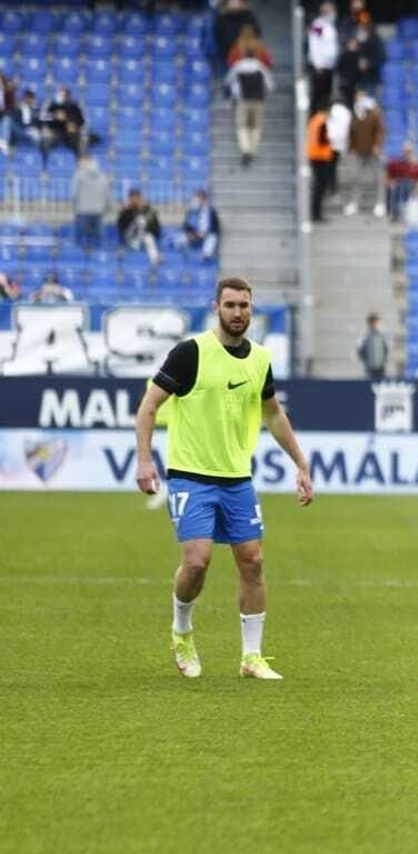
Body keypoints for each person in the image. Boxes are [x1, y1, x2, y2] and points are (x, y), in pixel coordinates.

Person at [133, 277, 314, 681]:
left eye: (244, 306)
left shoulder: (260, 359)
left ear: (252, 309)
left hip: (237, 479)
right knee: (197, 562)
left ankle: (252, 658)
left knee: (253, 562)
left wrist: (300, 463)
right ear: (217, 307)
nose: (237, 313)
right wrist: (145, 462)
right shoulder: (190, 353)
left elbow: (273, 414)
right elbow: (148, 406)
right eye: (230, 305)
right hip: (190, 476)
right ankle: (182, 632)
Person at [226, 42, 272, 167]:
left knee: (242, 127)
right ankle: (252, 151)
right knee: (256, 127)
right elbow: (270, 84)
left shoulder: (238, 66)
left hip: (244, 100)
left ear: (244, 55)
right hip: (258, 100)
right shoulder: (260, 66)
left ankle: (245, 150)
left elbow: (229, 80)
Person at [70, 155, 111, 250]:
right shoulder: (103, 176)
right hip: (99, 211)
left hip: (82, 210)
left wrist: (75, 207)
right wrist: (107, 208)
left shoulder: (78, 174)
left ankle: (77, 259)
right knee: (100, 240)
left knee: (78, 239)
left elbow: (74, 194)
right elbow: (107, 194)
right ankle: (101, 259)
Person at [306, 1, 339, 110]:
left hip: (329, 67)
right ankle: (315, 121)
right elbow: (314, 44)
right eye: (329, 10)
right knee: (317, 96)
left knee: (327, 97)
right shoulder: (318, 24)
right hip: (320, 68)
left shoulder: (332, 26)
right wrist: (318, 64)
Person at [117, 189, 161, 267]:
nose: (135, 200)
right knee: (140, 220)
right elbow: (120, 226)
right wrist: (125, 211)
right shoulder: (126, 211)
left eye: (137, 198)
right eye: (132, 198)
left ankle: (155, 261)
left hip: (143, 236)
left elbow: (156, 228)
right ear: (129, 199)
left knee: (149, 238)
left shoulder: (149, 210)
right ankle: (135, 243)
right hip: (129, 236)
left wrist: (142, 210)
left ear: (141, 198)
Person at [306, 107, 336, 223]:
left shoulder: (314, 120)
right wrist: (330, 139)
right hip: (321, 157)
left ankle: (315, 213)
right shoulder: (323, 122)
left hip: (314, 155)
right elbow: (322, 140)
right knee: (320, 187)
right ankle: (316, 214)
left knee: (318, 186)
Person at [181, 189, 221, 261]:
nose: (199, 200)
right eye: (197, 198)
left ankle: (206, 255)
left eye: (201, 198)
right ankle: (184, 255)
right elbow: (186, 224)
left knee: (212, 238)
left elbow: (216, 227)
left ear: (205, 199)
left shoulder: (211, 211)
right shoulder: (192, 210)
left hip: (206, 234)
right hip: (194, 234)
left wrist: (206, 233)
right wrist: (191, 233)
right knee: (181, 239)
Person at [357, 313, 388, 379]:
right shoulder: (365, 335)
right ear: (369, 323)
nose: (376, 324)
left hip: (380, 366)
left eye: (377, 322)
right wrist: (366, 361)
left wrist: (383, 361)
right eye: (374, 322)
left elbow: (385, 349)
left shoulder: (381, 335)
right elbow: (360, 350)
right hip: (370, 367)